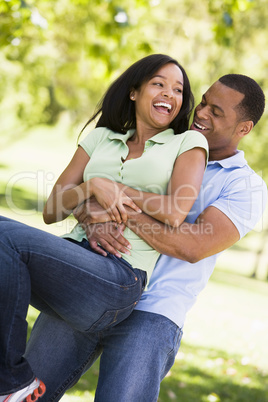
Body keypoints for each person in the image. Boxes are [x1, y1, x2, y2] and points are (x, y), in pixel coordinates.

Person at [24, 73, 267, 401]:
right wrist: (91, 212)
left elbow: (192, 245)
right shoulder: (158, 143)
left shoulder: (244, 187)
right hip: (94, 285)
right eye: (204, 102)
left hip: (153, 312)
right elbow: (91, 187)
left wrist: (113, 203)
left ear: (244, 129)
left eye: (217, 112)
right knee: (24, 393)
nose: (202, 113)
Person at [0, 54, 209, 401]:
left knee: (7, 239)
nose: (169, 95)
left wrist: (117, 191)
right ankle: (12, 381)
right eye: (159, 84)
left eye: (178, 89)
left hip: (118, 278)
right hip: (71, 260)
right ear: (133, 91)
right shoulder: (101, 138)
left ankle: (9, 378)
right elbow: (52, 209)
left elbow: (175, 211)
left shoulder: (186, 143)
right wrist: (92, 188)